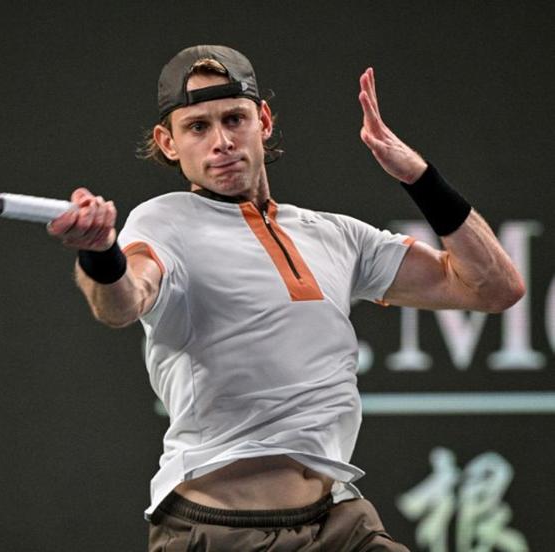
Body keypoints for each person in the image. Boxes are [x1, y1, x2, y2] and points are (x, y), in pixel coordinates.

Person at [47, 45, 524, 551]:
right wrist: (101, 254)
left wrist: (419, 177)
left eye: (235, 119)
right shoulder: (162, 223)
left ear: (264, 121)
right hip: (220, 531)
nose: (222, 142)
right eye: (198, 128)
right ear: (168, 143)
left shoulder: (336, 236)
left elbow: (495, 288)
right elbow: (123, 302)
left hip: (338, 520)